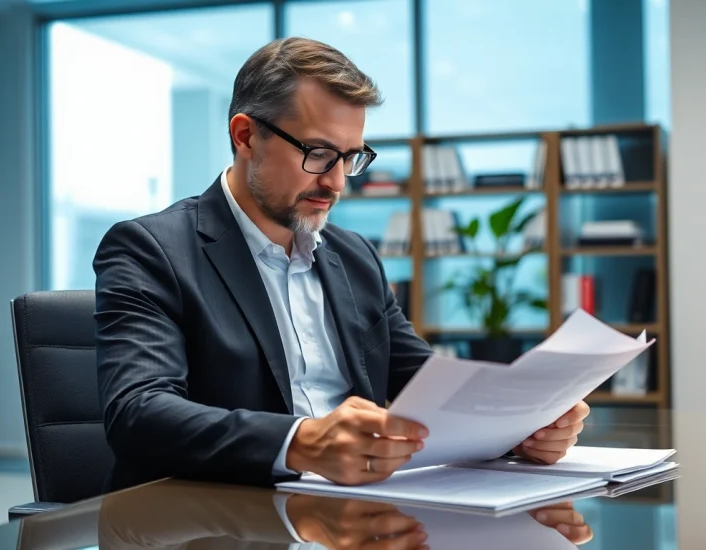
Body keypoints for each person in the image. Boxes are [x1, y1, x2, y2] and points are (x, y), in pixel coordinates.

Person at [93, 36, 589, 493]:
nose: (336, 183)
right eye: (318, 153)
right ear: (245, 137)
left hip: (352, 515)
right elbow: (139, 413)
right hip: (214, 522)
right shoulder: (150, 249)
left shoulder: (354, 256)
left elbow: (424, 383)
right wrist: (302, 442)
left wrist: (520, 425)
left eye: (350, 157)